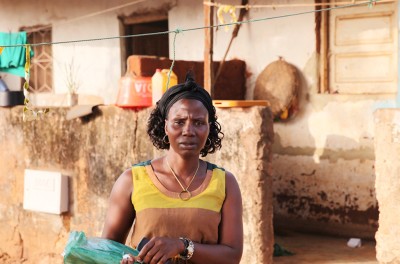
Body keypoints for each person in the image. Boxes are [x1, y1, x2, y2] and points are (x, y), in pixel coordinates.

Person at [102, 74, 243, 264]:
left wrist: (182, 246)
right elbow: (107, 249)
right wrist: (125, 259)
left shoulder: (225, 183)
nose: (188, 131)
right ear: (165, 126)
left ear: (209, 128)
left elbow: (232, 256)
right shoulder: (132, 180)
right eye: (179, 122)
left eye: (199, 122)